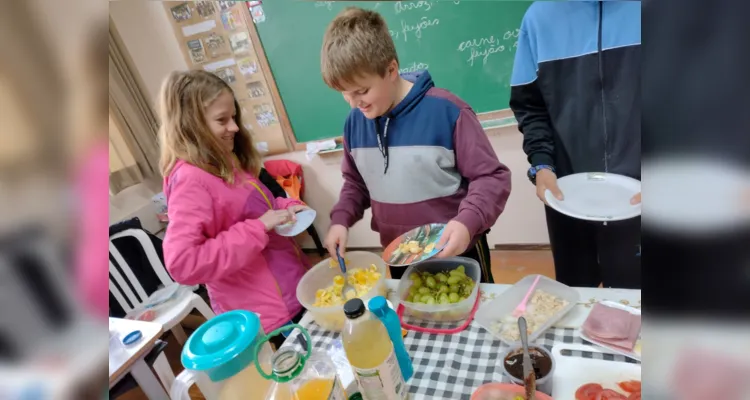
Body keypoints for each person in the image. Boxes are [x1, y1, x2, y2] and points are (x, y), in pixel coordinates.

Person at [320, 7, 512, 283]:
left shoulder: (447, 112)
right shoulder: (355, 122)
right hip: (399, 254)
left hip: (456, 250)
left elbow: (491, 177)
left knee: (470, 318)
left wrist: (467, 222)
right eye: (345, 94)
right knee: (416, 321)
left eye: (362, 91)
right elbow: (356, 184)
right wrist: (340, 219)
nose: (354, 103)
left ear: (391, 70)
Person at [159, 70, 309, 346]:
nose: (235, 127)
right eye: (222, 120)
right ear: (192, 125)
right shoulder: (190, 181)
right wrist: (259, 227)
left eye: (233, 117)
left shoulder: (227, 161)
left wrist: (288, 206)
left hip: (293, 292)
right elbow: (183, 263)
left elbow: (262, 205)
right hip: (267, 317)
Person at [509, 1, 641, 289]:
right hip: (569, 195)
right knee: (578, 296)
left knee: (638, 302)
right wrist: (542, 163)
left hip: (641, 196)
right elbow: (530, 106)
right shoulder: (538, 19)